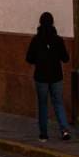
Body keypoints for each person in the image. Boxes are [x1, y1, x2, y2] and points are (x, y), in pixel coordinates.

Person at [26, 11, 72, 142]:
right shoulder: (58, 40)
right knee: (58, 102)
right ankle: (64, 130)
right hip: (56, 76)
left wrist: (39, 60)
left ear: (40, 23)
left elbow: (28, 58)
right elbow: (66, 58)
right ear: (52, 23)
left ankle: (43, 134)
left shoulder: (35, 39)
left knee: (43, 105)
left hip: (40, 77)